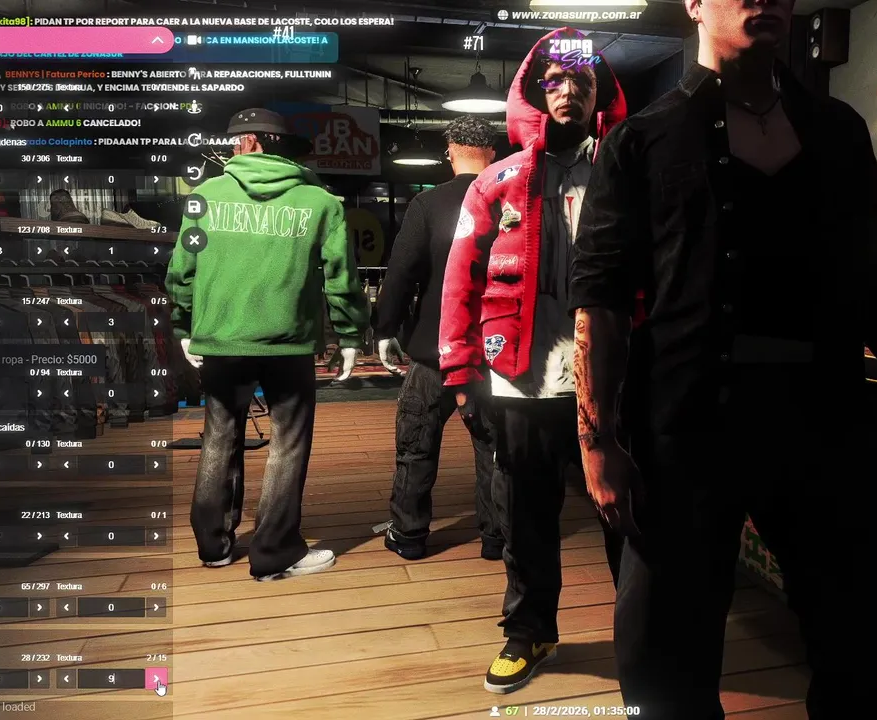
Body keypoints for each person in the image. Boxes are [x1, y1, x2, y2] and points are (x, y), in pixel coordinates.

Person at [569, 1, 877, 717]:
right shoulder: (642, 139)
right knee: (665, 654)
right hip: (683, 426)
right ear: (694, 4)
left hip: (824, 419)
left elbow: (876, 275)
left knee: (864, 641)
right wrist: (598, 439)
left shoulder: (837, 130)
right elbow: (600, 300)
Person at [438, 27, 627, 694]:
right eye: (554, 80)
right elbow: (460, 277)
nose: (568, 90)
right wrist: (460, 372)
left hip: (612, 379)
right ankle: (529, 631)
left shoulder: (627, 173)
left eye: (581, 79)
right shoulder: (497, 181)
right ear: (535, 91)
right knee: (526, 516)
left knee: (626, 510)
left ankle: (644, 633)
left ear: (600, 91)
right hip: (521, 379)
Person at [168, 108, 369, 581]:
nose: (230, 149)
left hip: (221, 338)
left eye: (234, 142)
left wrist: (183, 326)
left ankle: (213, 546)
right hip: (289, 343)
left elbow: (182, 270)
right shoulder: (320, 202)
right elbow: (342, 278)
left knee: (220, 434)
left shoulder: (205, 197)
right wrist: (349, 335)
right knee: (288, 442)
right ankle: (274, 552)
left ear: (251, 142)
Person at [374, 116, 505, 562]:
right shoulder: (511, 202)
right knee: (494, 448)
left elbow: (400, 273)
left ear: (449, 152)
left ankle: (409, 535)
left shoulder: (427, 204)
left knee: (416, 443)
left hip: (434, 349)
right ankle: (496, 538)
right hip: (493, 349)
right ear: (493, 153)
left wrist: (385, 328)